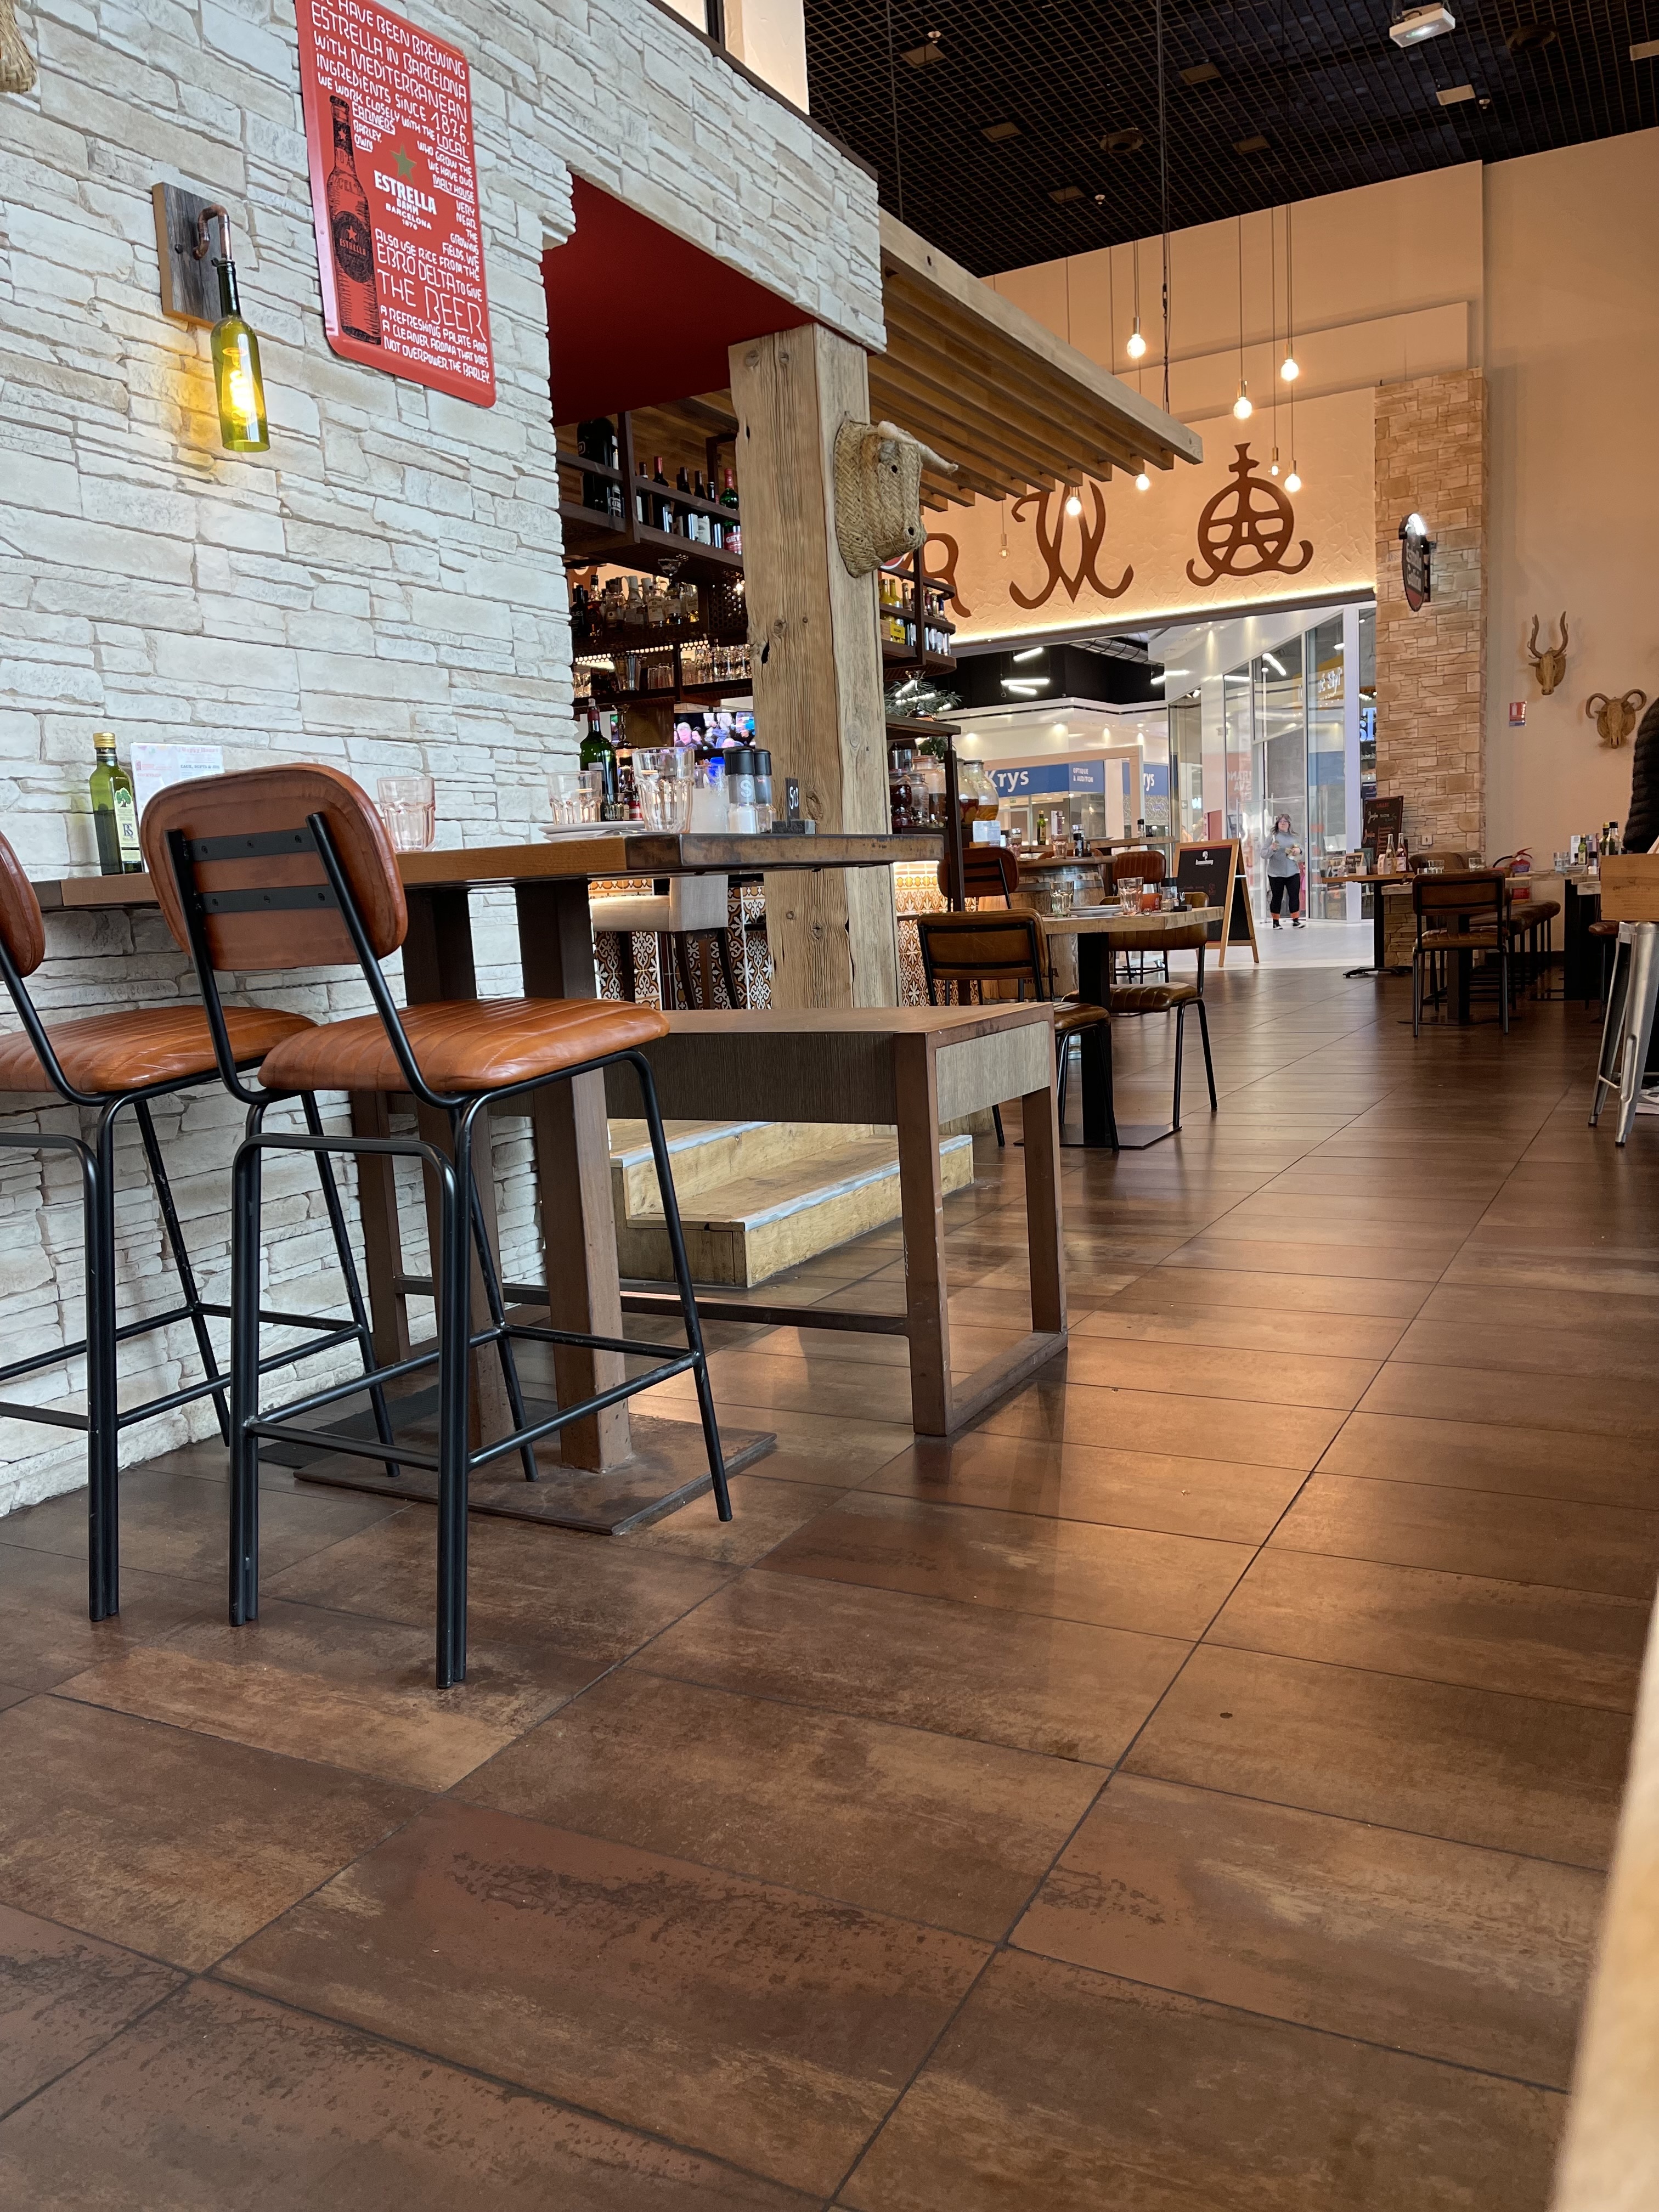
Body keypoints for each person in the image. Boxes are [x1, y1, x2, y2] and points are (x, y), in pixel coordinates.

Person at [1265, 813, 1303, 928]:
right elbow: (1263, 854)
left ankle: (1296, 920)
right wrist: (1272, 849)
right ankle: (1276, 922)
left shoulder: (1294, 837)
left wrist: (1299, 850)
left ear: (1289, 824)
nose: (1283, 823)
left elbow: (1302, 851)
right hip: (1276, 873)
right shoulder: (1272, 837)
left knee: (1294, 896)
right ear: (1277, 824)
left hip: (1293, 872)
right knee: (1277, 897)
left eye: (1285, 821)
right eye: (1280, 822)